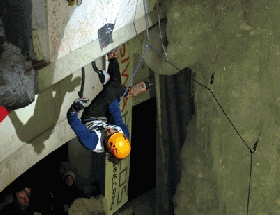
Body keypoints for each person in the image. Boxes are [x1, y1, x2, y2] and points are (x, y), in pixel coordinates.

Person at [67, 51, 131, 164]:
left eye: (110, 135)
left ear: (108, 145)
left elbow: (74, 122)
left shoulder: (91, 142)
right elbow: (116, 115)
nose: (111, 130)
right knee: (113, 88)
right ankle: (120, 86)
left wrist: (74, 109)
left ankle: (121, 89)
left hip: (92, 117)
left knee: (112, 89)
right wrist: (111, 92)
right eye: (115, 132)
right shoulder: (123, 134)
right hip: (106, 119)